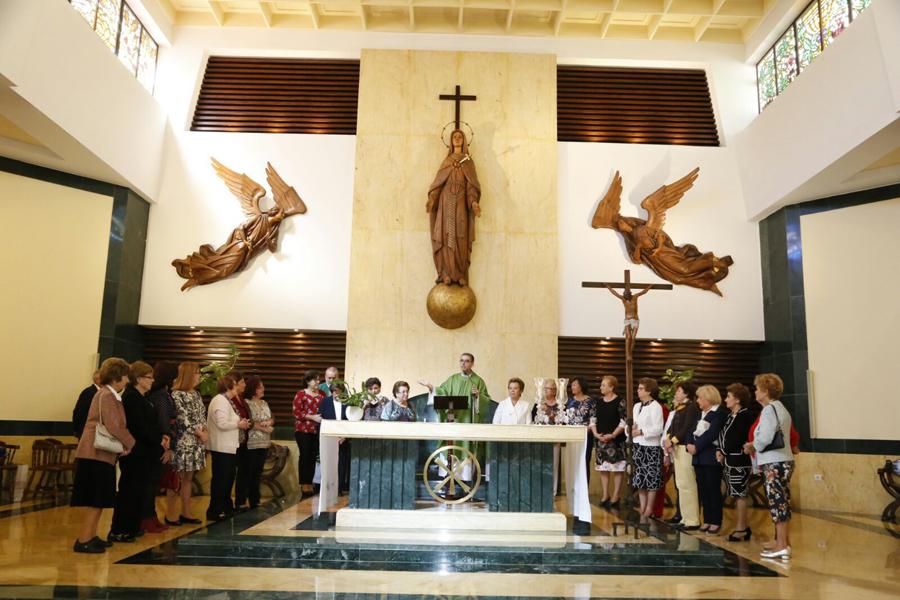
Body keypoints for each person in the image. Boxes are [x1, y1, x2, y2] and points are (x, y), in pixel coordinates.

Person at [71, 357, 135, 553]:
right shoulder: (106, 395)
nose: (127, 381)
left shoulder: (109, 394)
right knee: (94, 498)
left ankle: (91, 535)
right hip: (95, 454)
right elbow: (114, 425)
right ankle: (84, 539)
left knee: (99, 499)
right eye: (125, 376)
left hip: (101, 455)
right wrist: (131, 442)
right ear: (117, 376)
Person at [109, 361, 167, 542]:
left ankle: (132, 526)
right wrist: (159, 440)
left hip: (145, 453)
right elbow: (140, 428)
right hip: (136, 453)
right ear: (138, 378)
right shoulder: (132, 398)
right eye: (149, 377)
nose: (152, 381)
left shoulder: (141, 398)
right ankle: (121, 529)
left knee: (138, 493)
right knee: (129, 492)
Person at [744, 373, 795, 560]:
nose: (755, 392)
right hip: (783, 460)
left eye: (757, 389)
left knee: (777, 503)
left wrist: (751, 445)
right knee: (782, 502)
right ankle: (783, 542)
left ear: (765, 391)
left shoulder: (769, 410)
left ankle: (782, 546)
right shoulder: (780, 408)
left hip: (774, 462)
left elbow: (764, 438)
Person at [426, 128, 481, 286]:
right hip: (445, 204)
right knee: (446, 236)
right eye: (454, 137)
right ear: (451, 141)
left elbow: (471, 187)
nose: (457, 139)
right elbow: (438, 183)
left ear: (464, 140)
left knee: (460, 237)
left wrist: (474, 202)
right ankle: (445, 273)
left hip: (461, 205)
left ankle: (459, 273)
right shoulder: (447, 162)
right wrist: (432, 198)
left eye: (460, 136)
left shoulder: (468, 162)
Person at [167, 362, 207, 526]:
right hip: (183, 442)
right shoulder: (177, 394)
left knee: (188, 478)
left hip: (196, 442)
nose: (199, 376)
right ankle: (171, 514)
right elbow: (182, 418)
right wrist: (198, 432)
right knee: (176, 479)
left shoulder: (196, 394)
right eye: (197, 373)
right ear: (189, 375)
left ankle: (186, 511)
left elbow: (202, 414)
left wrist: (205, 430)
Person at [206, 375, 250, 521]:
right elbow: (222, 423)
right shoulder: (220, 400)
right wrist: (239, 424)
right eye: (235, 384)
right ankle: (215, 509)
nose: (238, 387)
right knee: (221, 479)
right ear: (228, 386)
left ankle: (224, 507)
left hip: (229, 447)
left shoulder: (227, 401)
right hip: (221, 447)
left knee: (227, 479)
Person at [717, 383, 755, 542]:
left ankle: (741, 528)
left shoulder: (744, 415)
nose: (725, 400)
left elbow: (737, 438)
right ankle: (741, 527)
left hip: (739, 460)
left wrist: (724, 451)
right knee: (736, 493)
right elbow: (725, 436)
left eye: (728, 397)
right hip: (730, 460)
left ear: (737, 399)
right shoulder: (731, 415)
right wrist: (720, 449)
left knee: (740, 494)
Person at [687, 385, 727, 534]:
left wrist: (696, 446)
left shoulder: (719, 414)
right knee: (703, 490)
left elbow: (712, 434)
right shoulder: (700, 414)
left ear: (708, 398)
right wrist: (689, 444)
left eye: (700, 397)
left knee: (713, 489)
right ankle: (707, 519)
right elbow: (691, 431)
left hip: (710, 457)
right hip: (698, 457)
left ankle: (716, 521)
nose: (698, 400)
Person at [143, 361, 178, 533]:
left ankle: (151, 516)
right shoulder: (162, 396)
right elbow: (164, 421)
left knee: (153, 483)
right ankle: (148, 518)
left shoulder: (158, 394)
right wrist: (169, 446)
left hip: (158, 443)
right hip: (160, 444)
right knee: (151, 483)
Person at [663, 381, 701, 530]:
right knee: (680, 484)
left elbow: (687, 428)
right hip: (676, 448)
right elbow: (673, 427)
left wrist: (672, 440)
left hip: (685, 447)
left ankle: (692, 519)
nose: (676, 394)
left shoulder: (691, 408)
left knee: (688, 484)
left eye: (679, 391)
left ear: (686, 393)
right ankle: (685, 517)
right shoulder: (679, 408)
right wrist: (668, 439)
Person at [420, 353, 492, 423]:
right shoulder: (453, 379)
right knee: (451, 433)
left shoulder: (478, 381)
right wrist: (430, 386)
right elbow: (442, 391)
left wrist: (478, 396)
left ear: (472, 364)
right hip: (451, 416)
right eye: (461, 360)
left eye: (467, 361)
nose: (463, 363)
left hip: (467, 418)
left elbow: (486, 401)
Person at [631, 377, 664, 521]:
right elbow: (633, 426)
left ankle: (649, 508)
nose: (638, 391)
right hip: (638, 445)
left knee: (651, 479)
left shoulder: (656, 406)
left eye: (641, 389)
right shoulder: (637, 406)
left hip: (651, 447)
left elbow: (658, 429)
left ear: (649, 391)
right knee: (640, 479)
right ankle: (642, 507)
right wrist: (631, 431)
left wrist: (642, 431)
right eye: (638, 388)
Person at [591, 375, 626, 508]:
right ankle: (605, 494)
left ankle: (616, 495)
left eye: (604, 385)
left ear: (611, 387)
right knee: (603, 469)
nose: (601, 387)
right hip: (601, 440)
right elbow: (592, 420)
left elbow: (623, 421)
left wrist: (613, 435)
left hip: (616, 441)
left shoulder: (620, 401)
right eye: (601, 385)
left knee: (617, 469)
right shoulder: (597, 402)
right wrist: (596, 434)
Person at [244, 376, 274, 509]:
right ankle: (246, 499)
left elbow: (271, 417)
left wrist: (270, 422)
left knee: (258, 471)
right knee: (249, 471)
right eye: (260, 387)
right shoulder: (246, 403)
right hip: (251, 442)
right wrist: (264, 428)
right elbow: (249, 422)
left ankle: (255, 499)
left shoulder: (264, 403)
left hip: (264, 442)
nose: (263, 389)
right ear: (253, 389)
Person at [293, 370, 323, 499]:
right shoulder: (301, 394)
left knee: (312, 457)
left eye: (318, 379)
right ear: (307, 381)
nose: (317, 382)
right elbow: (296, 413)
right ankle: (304, 483)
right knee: (304, 456)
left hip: (317, 431)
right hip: (303, 430)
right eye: (314, 380)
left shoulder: (321, 395)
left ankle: (310, 482)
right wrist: (312, 417)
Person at [318, 382, 350, 494]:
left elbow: (350, 420)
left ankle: (339, 488)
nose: (337, 394)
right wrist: (331, 436)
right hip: (329, 438)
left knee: (341, 464)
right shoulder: (325, 402)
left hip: (343, 438)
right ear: (331, 392)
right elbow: (322, 419)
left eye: (339, 392)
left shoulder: (348, 402)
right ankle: (328, 488)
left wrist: (344, 436)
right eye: (335, 392)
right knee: (329, 464)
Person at [228, 371, 253, 511]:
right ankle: (229, 501)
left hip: (244, 439)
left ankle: (241, 500)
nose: (245, 384)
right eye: (242, 382)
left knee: (244, 470)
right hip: (233, 440)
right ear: (234, 383)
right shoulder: (230, 399)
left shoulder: (241, 398)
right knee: (231, 472)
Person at [566, 377, 596, 482]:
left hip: (585, 435)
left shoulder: (591, 401)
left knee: (584, 462)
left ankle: (584, 490)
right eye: (572, 385)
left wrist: (588, 428)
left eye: (574, 385)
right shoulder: (568, 401)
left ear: (581, 386)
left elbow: (593, 418)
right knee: (572, 462)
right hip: (571, 435)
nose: (572, 387)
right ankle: (573, 487)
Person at [73, 370, 102, 439]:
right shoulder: (90, 392)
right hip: (86, 430)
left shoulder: (98, 392)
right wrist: (77, 429)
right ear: (98, 380)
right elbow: (79, 411)